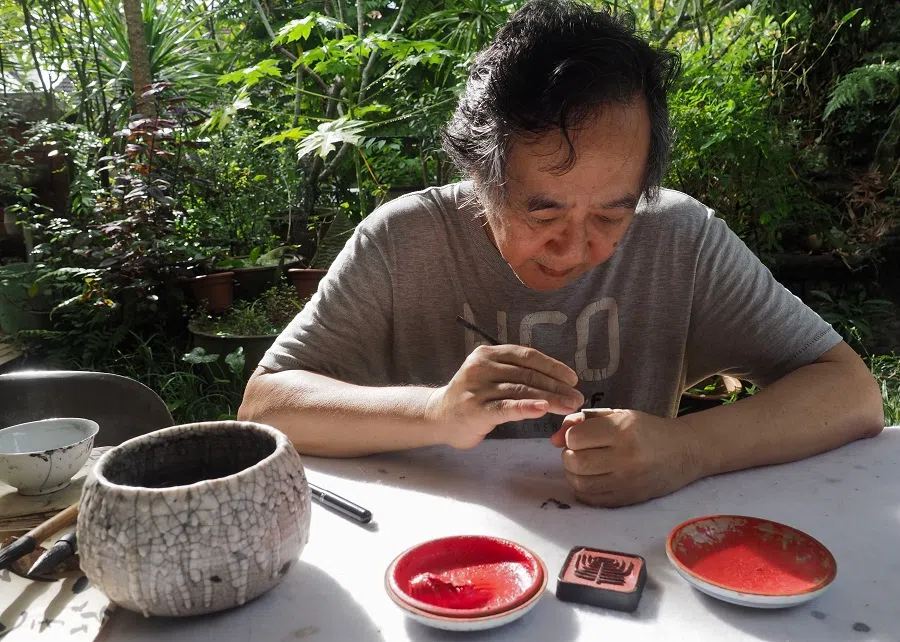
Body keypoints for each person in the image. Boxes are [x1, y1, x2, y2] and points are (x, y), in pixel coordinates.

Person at [239, 0, 883, 507]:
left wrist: (689, 448)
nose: (579, 247)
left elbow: (852, 394)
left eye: (612, 213)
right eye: (541, 213)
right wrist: (435, 412)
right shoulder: (404, 240)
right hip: (432, 554)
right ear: (481, 179)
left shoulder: (680, 238)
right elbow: (265, 405)